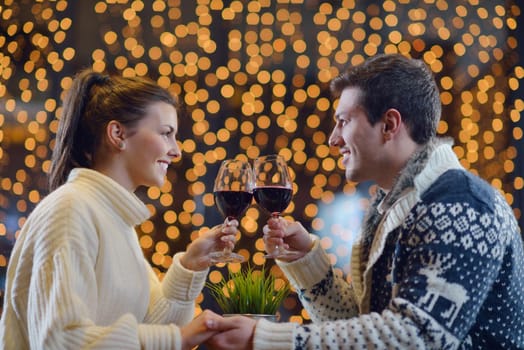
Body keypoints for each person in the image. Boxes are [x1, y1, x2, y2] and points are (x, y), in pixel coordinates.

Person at [206, 53, 524, 349]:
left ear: (388, 125)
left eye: (343, 121)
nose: (333, 139)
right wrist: (307, 263)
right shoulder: (393, 207)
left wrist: (268, 339)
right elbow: (360, 328)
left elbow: (414, 336)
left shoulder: (461, 207)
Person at [0, 69, 236, 349]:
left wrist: (190, 267)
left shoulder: (113, 220)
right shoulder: (70, 210)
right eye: (165, 133)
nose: (176, 151)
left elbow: (149, 328)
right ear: (117, 134)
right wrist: (176, 339)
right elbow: (61, 340)